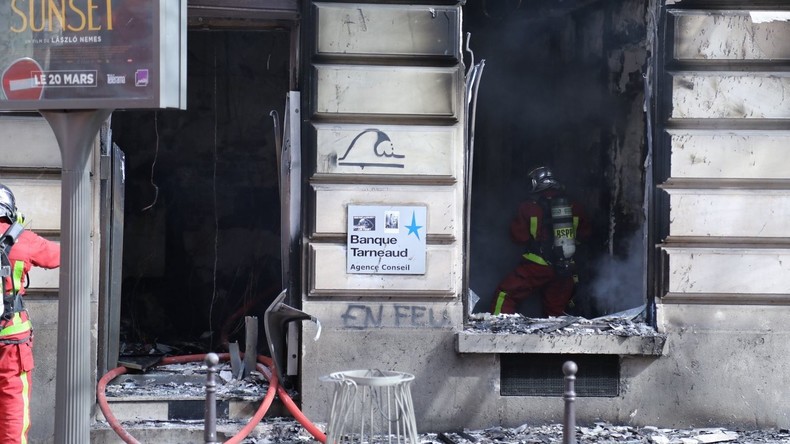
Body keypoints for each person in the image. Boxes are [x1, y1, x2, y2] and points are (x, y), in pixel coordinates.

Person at [0, 184, 60, 444]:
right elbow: (61, 255)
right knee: (14, 412)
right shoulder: (22, 239)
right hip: (12, 343)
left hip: (14, 344)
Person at [491, 166, 591, 317]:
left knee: (505, 295)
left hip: (536, 266)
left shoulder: (529, 207)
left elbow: (519, 238)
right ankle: (559, 340)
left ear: (535, 183)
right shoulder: (574, 207)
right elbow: (586, 235)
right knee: (556, 311)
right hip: (566, 267)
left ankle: (496, 328)